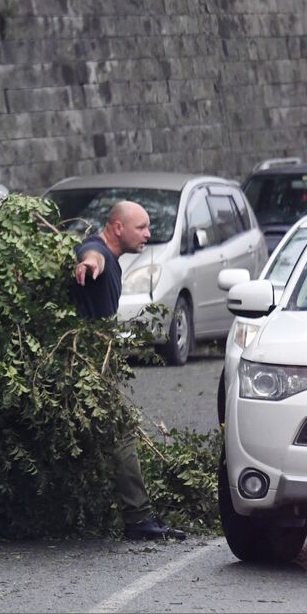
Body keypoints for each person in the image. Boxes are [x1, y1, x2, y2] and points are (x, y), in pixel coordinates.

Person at [70, 200, 186, 542]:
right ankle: (137, 518)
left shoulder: (113, 259)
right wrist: (88, 264)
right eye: (142, 227)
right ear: (117, 227)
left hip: (92, 362)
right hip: (87, 366)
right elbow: (92, 256)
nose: (148, 234)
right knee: (121, 434)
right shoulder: (98, 252)